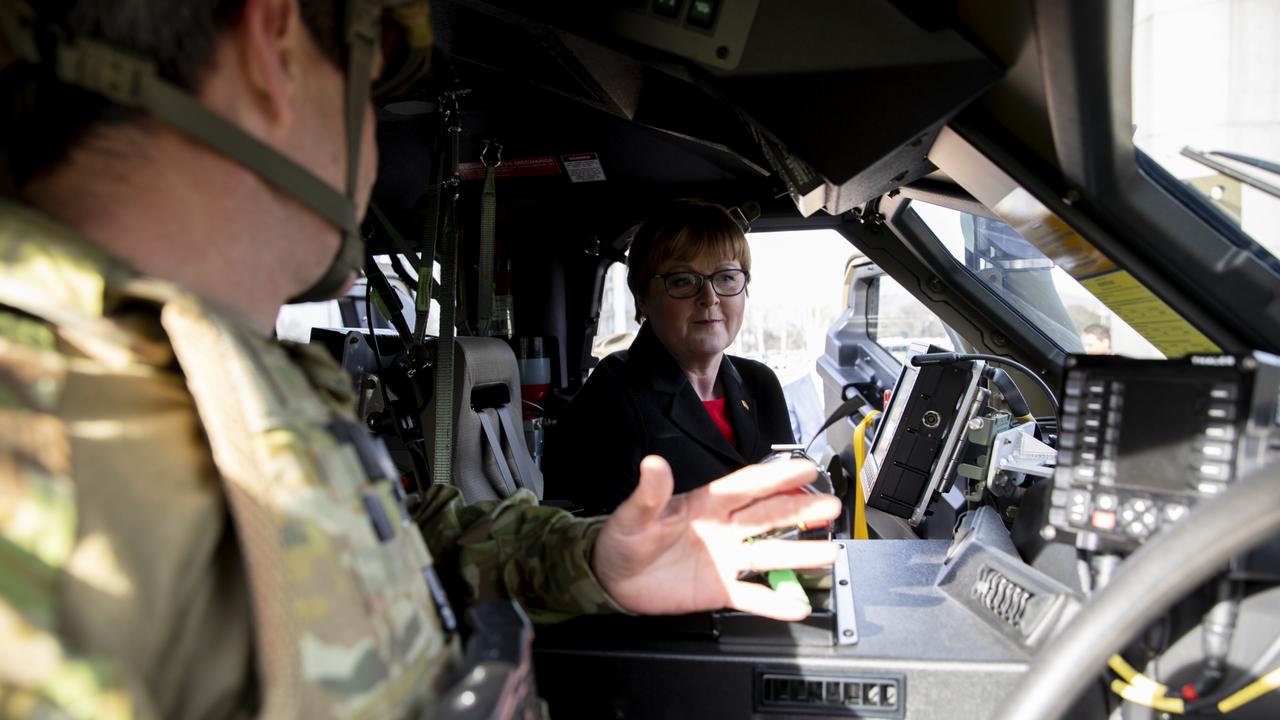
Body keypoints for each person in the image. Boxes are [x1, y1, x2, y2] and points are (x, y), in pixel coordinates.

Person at [0, 2, 841, 717]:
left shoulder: (225, 385)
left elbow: (417, 539)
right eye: (370, 93)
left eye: (725, 280)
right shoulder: (45, 427)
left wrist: (596, 561)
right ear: (275, 46)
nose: (371, 143)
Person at [545, 200, 795, 516]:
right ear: (642, 298)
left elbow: (789, 499)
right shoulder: (611, 398)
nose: (710, 298)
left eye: (727, 277)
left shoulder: (760, 383)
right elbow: (598, 544)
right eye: (683, 280)